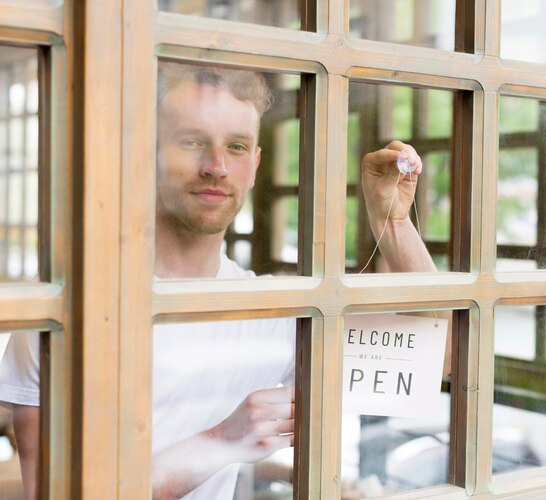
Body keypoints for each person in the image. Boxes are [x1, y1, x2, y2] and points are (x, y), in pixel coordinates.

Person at [0, 62, 439, 499]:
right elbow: (54, 492)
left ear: (254, 164)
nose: (216, 166)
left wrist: (394, 223)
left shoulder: (269, 311)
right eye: (192, 142)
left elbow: (432, 358)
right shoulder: (67, 302)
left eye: (236, 146)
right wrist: (224, 441)